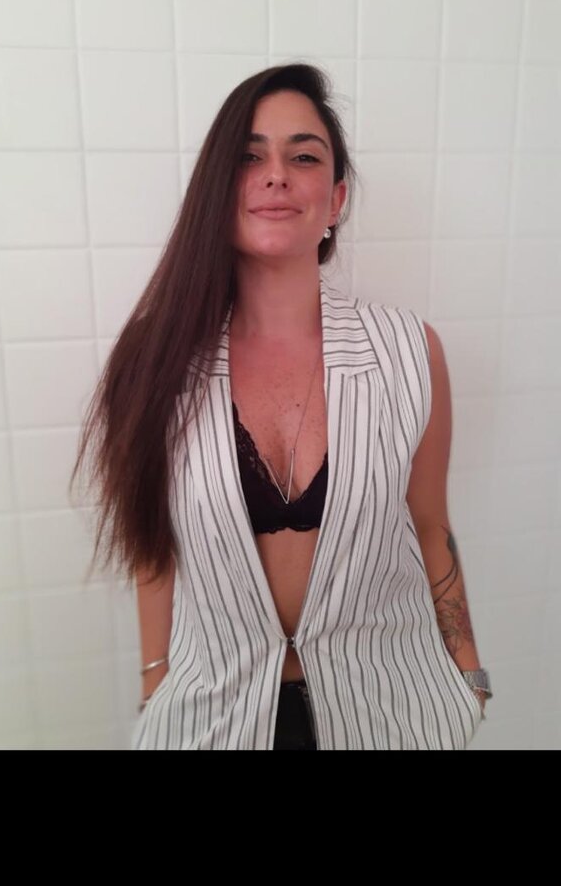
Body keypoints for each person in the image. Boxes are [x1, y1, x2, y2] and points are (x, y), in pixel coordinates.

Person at [70, 63, 492, 750]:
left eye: (303, 157)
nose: (276, 176)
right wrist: (155, 681)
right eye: (249, 157)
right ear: (217, 191)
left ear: (336, 199)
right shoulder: (156, 358)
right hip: (215, 718)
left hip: (390, 713)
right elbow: (152, 541)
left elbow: (430, 525)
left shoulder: (412, 351)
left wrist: (469, 673)